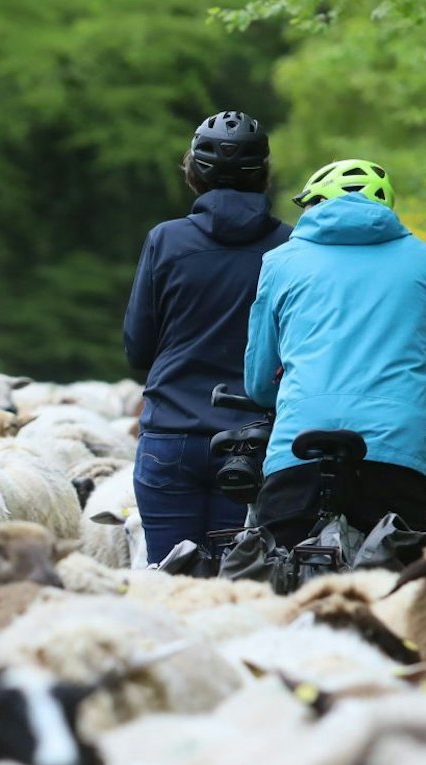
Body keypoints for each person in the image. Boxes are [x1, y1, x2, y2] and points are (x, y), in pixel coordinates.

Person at [242, 158, 426, 553]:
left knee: (272, 569)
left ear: (316, 204)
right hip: (397, 450)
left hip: (299, 447)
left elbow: (258, 382)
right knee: (405, 579)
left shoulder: (279, 263)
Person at [123, 110, 292, 567]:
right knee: (240, 581)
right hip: (256, 439)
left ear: (194, 173)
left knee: (170, 581)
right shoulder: (291, 247)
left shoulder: (166, 241)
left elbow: (138, 347)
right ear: (263, 175)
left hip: (171, 436)